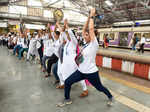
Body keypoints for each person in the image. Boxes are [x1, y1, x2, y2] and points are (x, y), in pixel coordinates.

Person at [57, 8, 113, 107]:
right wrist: (88, 17)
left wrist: (92, 15)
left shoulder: (94, 44)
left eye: (86, 35)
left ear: (92, 36)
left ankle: (110, 96)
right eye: (85, 35)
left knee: (99, 87)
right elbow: (85, 29)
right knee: (68, 82)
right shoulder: (86, 44)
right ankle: (67, 99)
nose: (84, 36)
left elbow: (90, 29)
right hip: (81, 71)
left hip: (91, 72)